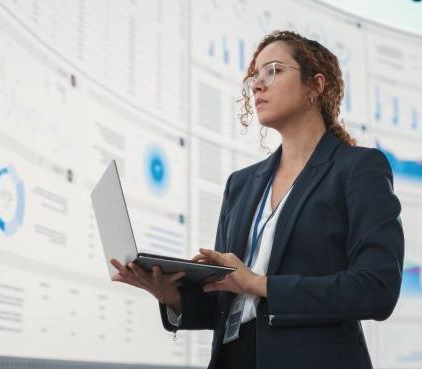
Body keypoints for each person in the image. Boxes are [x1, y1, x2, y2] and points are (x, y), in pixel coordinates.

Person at [110, 30, 404, 369]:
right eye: (255, 75)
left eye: (274, 70)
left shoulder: (358, 168)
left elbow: (378, 288)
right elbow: (225, 302)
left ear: (316, 86)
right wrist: (170, 294)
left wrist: (260, 284)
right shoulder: (241, 184)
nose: (257, 84)